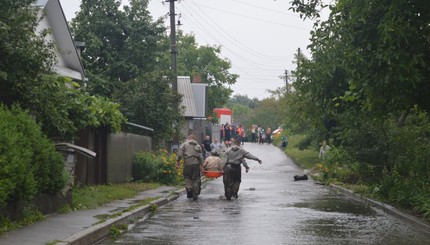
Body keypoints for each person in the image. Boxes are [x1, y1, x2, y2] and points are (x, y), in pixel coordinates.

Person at [176, 134, 204, 200]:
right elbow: (200, 156)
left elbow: (180, 154)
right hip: (196, 164)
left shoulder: (184, 144)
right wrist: (202, 165)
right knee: (196, 178)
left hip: (187, 164)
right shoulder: (198, 145)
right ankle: (195, 192)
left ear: (189, 138)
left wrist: (178, 162)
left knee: (187, 177)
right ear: (194, 138)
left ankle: (189, 189)